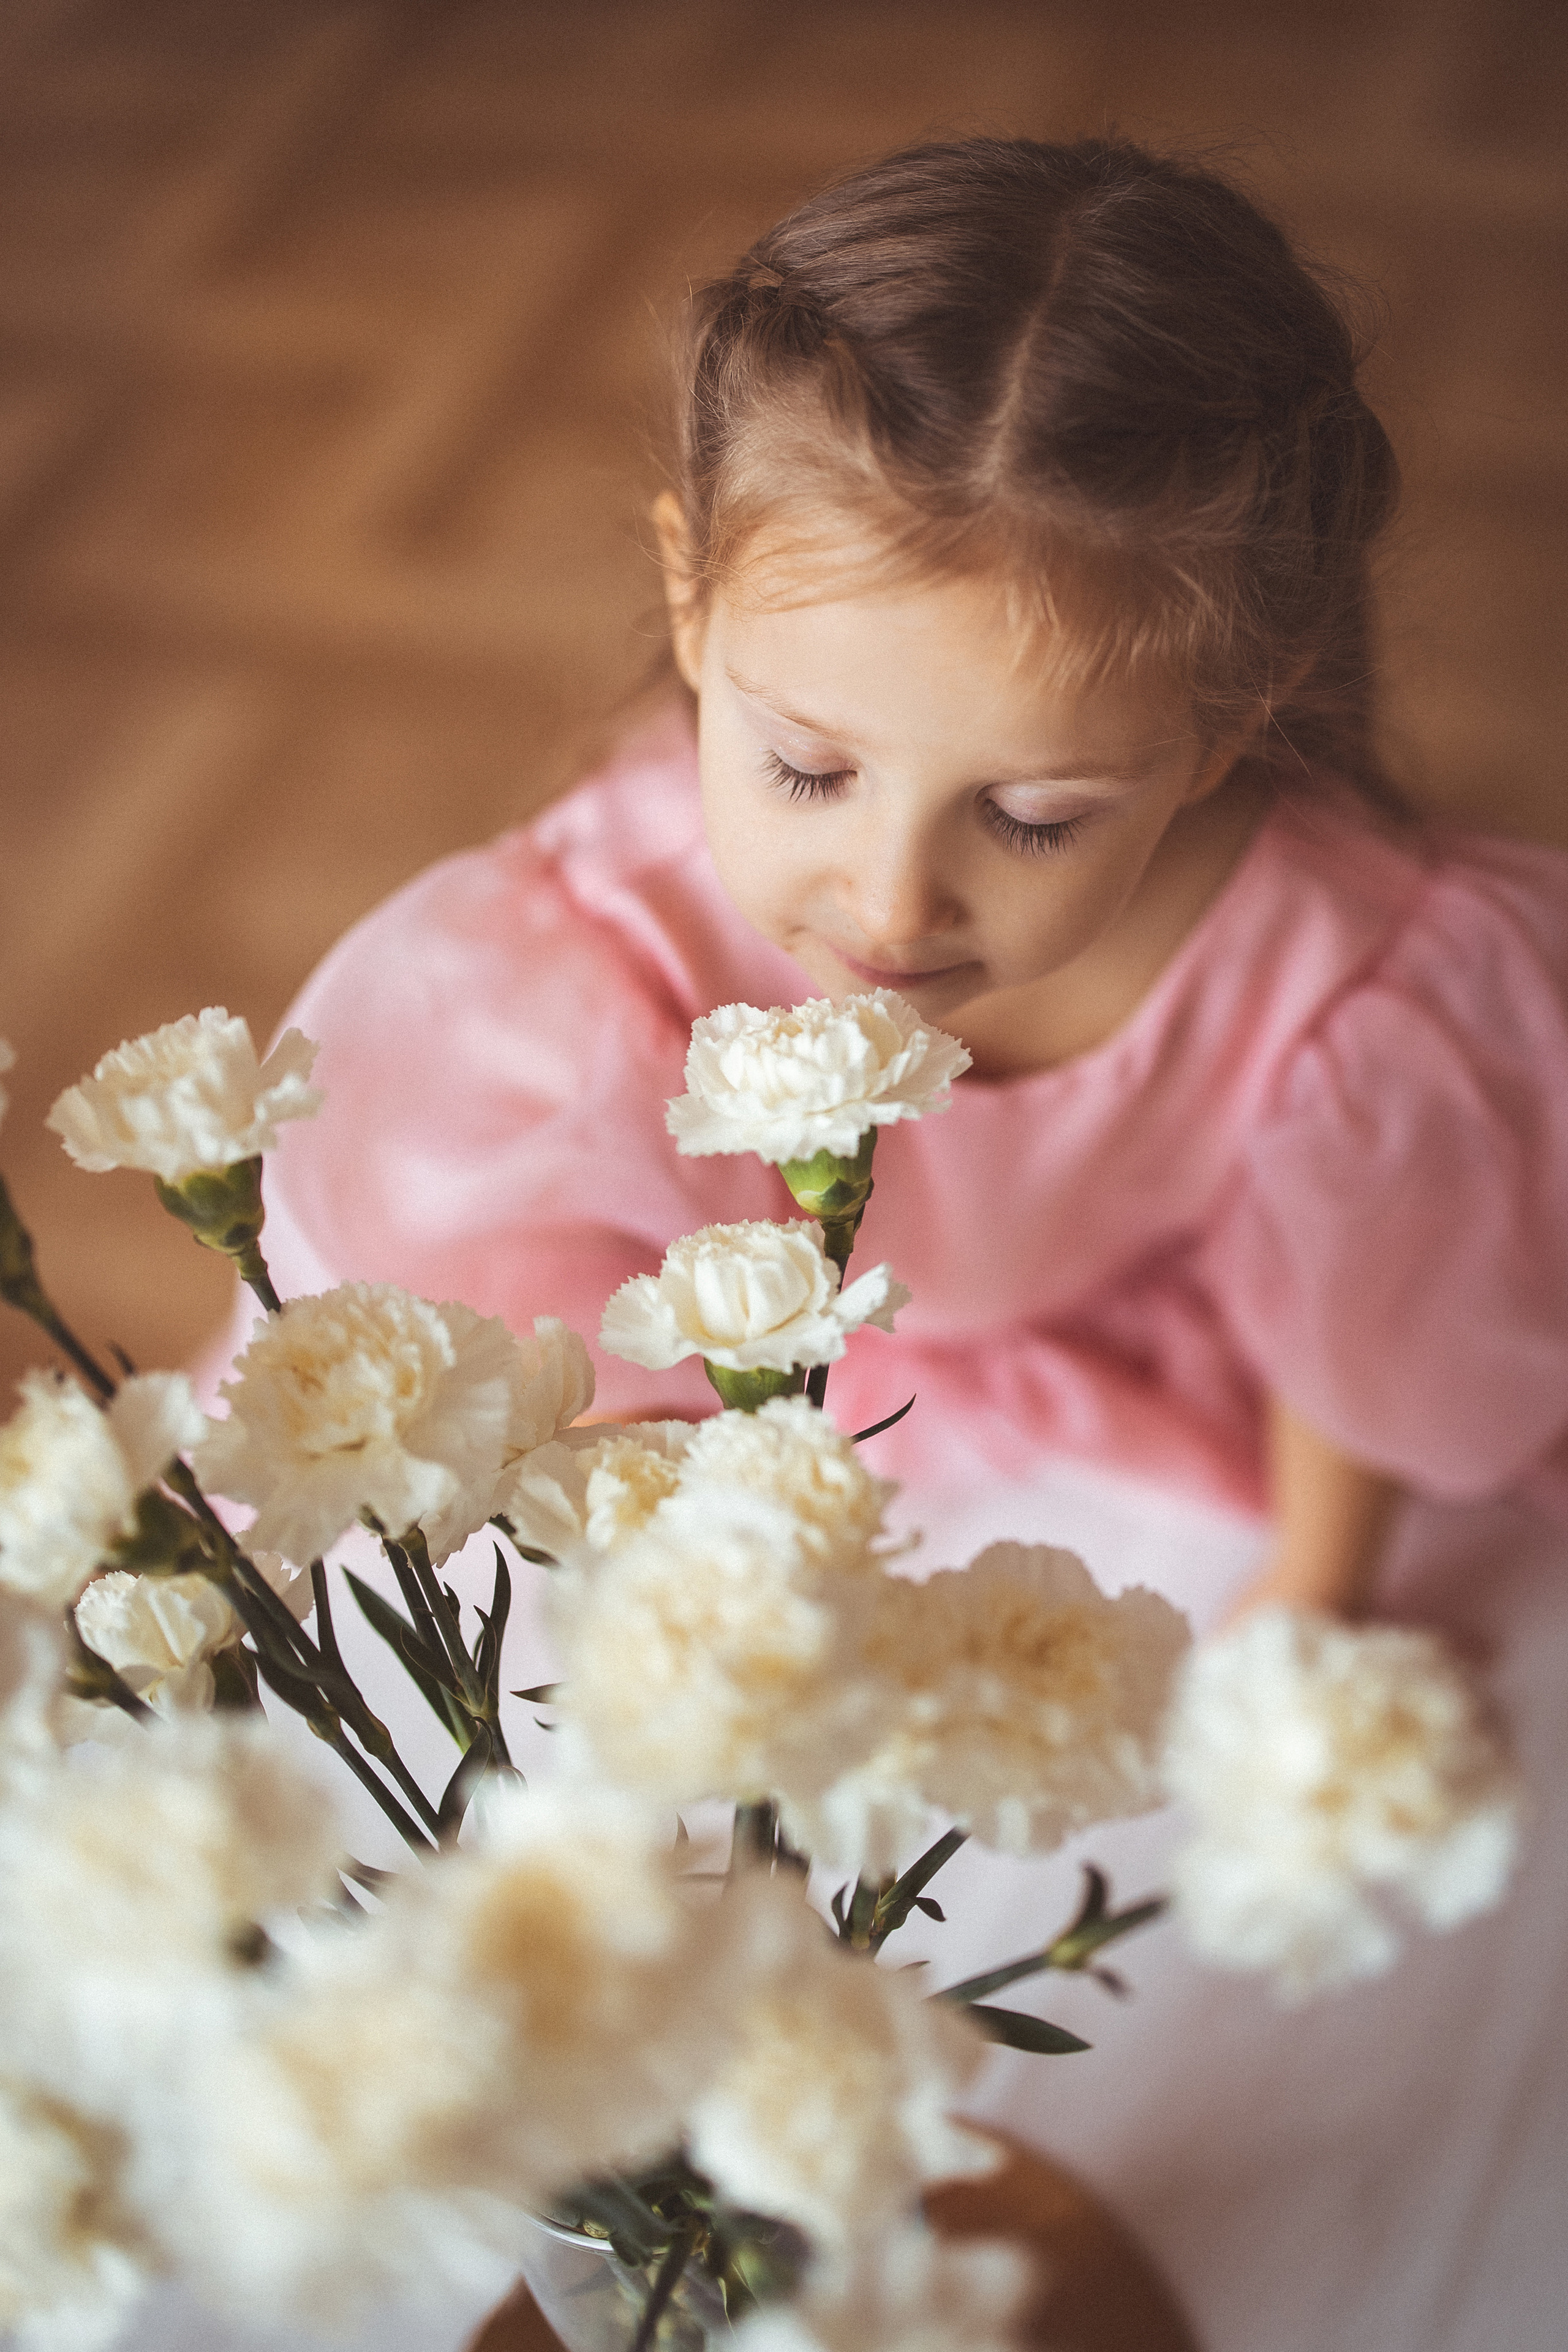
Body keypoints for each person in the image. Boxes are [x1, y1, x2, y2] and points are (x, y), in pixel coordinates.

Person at [246, 140, 1568, 2351]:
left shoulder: (1355, 983)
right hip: (729, 1436)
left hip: (1160, 1374)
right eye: (805, 769)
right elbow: (572, 1403)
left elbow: (1373, 1317)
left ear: (1230, 723)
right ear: (691, 603)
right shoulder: (572, 977)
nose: (888, 904)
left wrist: (1315, 1605)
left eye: (1034, 817)